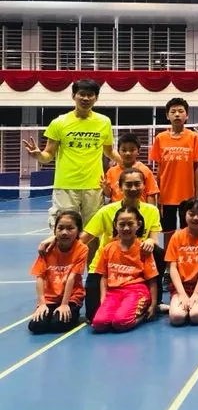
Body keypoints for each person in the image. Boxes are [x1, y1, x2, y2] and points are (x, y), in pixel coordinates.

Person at [38, 166, 163, 323]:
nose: (133, 188)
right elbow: (83, 238)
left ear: (144, 186)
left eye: (137, 184)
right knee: (93, 316)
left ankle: (155, 301)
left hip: (135, 266)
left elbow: (154, 239)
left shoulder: (151, 210)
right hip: (106, 266)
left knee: (158, 252)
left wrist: (150, 241)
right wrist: (56, 238)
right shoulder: (106, 211)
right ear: (120, 187)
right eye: (128, 184)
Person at [23, 78, 122, 227]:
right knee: (65, 229)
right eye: (82, 94)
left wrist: (128, 164)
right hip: (66, 186)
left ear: (96, 98)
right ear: (74, 96)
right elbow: (48, 155)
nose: (86, 98)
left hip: (94, 185)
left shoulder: (104, 122)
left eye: (90, 95)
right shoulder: (59, 122)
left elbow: (109, 151)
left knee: (93, 230)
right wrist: (39, 155)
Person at [149, 97, 198, 249]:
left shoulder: (194, 138)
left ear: (186, 115)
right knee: (168, 231)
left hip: (187, 196)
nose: (177, 114)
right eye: (173, 111)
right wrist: (158, 195)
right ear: (167, 115)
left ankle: (186, 257)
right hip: (166, 196)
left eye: (181, 111)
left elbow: (196, 168)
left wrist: (197, 195)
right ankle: (169, 260)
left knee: (188, 230)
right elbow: (159, 169)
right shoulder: (160, 138)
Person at [92, 207, 158, 333]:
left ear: (138, 225)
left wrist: (153, 304)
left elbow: (152, 279)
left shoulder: (143, 249)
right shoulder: (108, 248)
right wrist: (103, 299)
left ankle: (142, 314)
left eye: (130, 224)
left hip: (136, 291)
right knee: (99, 323)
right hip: (113, 292)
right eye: (122, 224)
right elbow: (104, 276)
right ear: (115, 225)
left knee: (120, 323)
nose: (126, 228)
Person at [29, 210, 89, 334]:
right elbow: (40, 277)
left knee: (58, 325)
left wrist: (64, 304)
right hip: (50, 298)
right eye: (60, 228)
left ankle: (73, 313)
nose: (64, 232)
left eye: (70, 228)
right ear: (55, 230)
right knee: (36, 326)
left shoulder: (82, 249)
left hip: (71, 297)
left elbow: (72, 277)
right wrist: (41, 304)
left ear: (78, 231)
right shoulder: (46, 248)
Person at [166, 197, 198, 326]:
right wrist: (182, 294)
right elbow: (173, 268)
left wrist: (196, 294)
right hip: (181, 286)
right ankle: (172, 306)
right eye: (191, 214)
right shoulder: (177, 237)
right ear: (184, 214)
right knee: (177, 318)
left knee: (196, 316)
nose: (195, 218)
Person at [102, 132, 159, 205]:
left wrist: (151, 211)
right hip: (119, 210)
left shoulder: (145, 170)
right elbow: (109, 195)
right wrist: (106, 189)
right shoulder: (111, 171)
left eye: (132, 150)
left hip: (139, 210)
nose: (128, 153)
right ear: (118, 151)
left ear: (138, 151)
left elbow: (151, 194)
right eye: (124, 150)